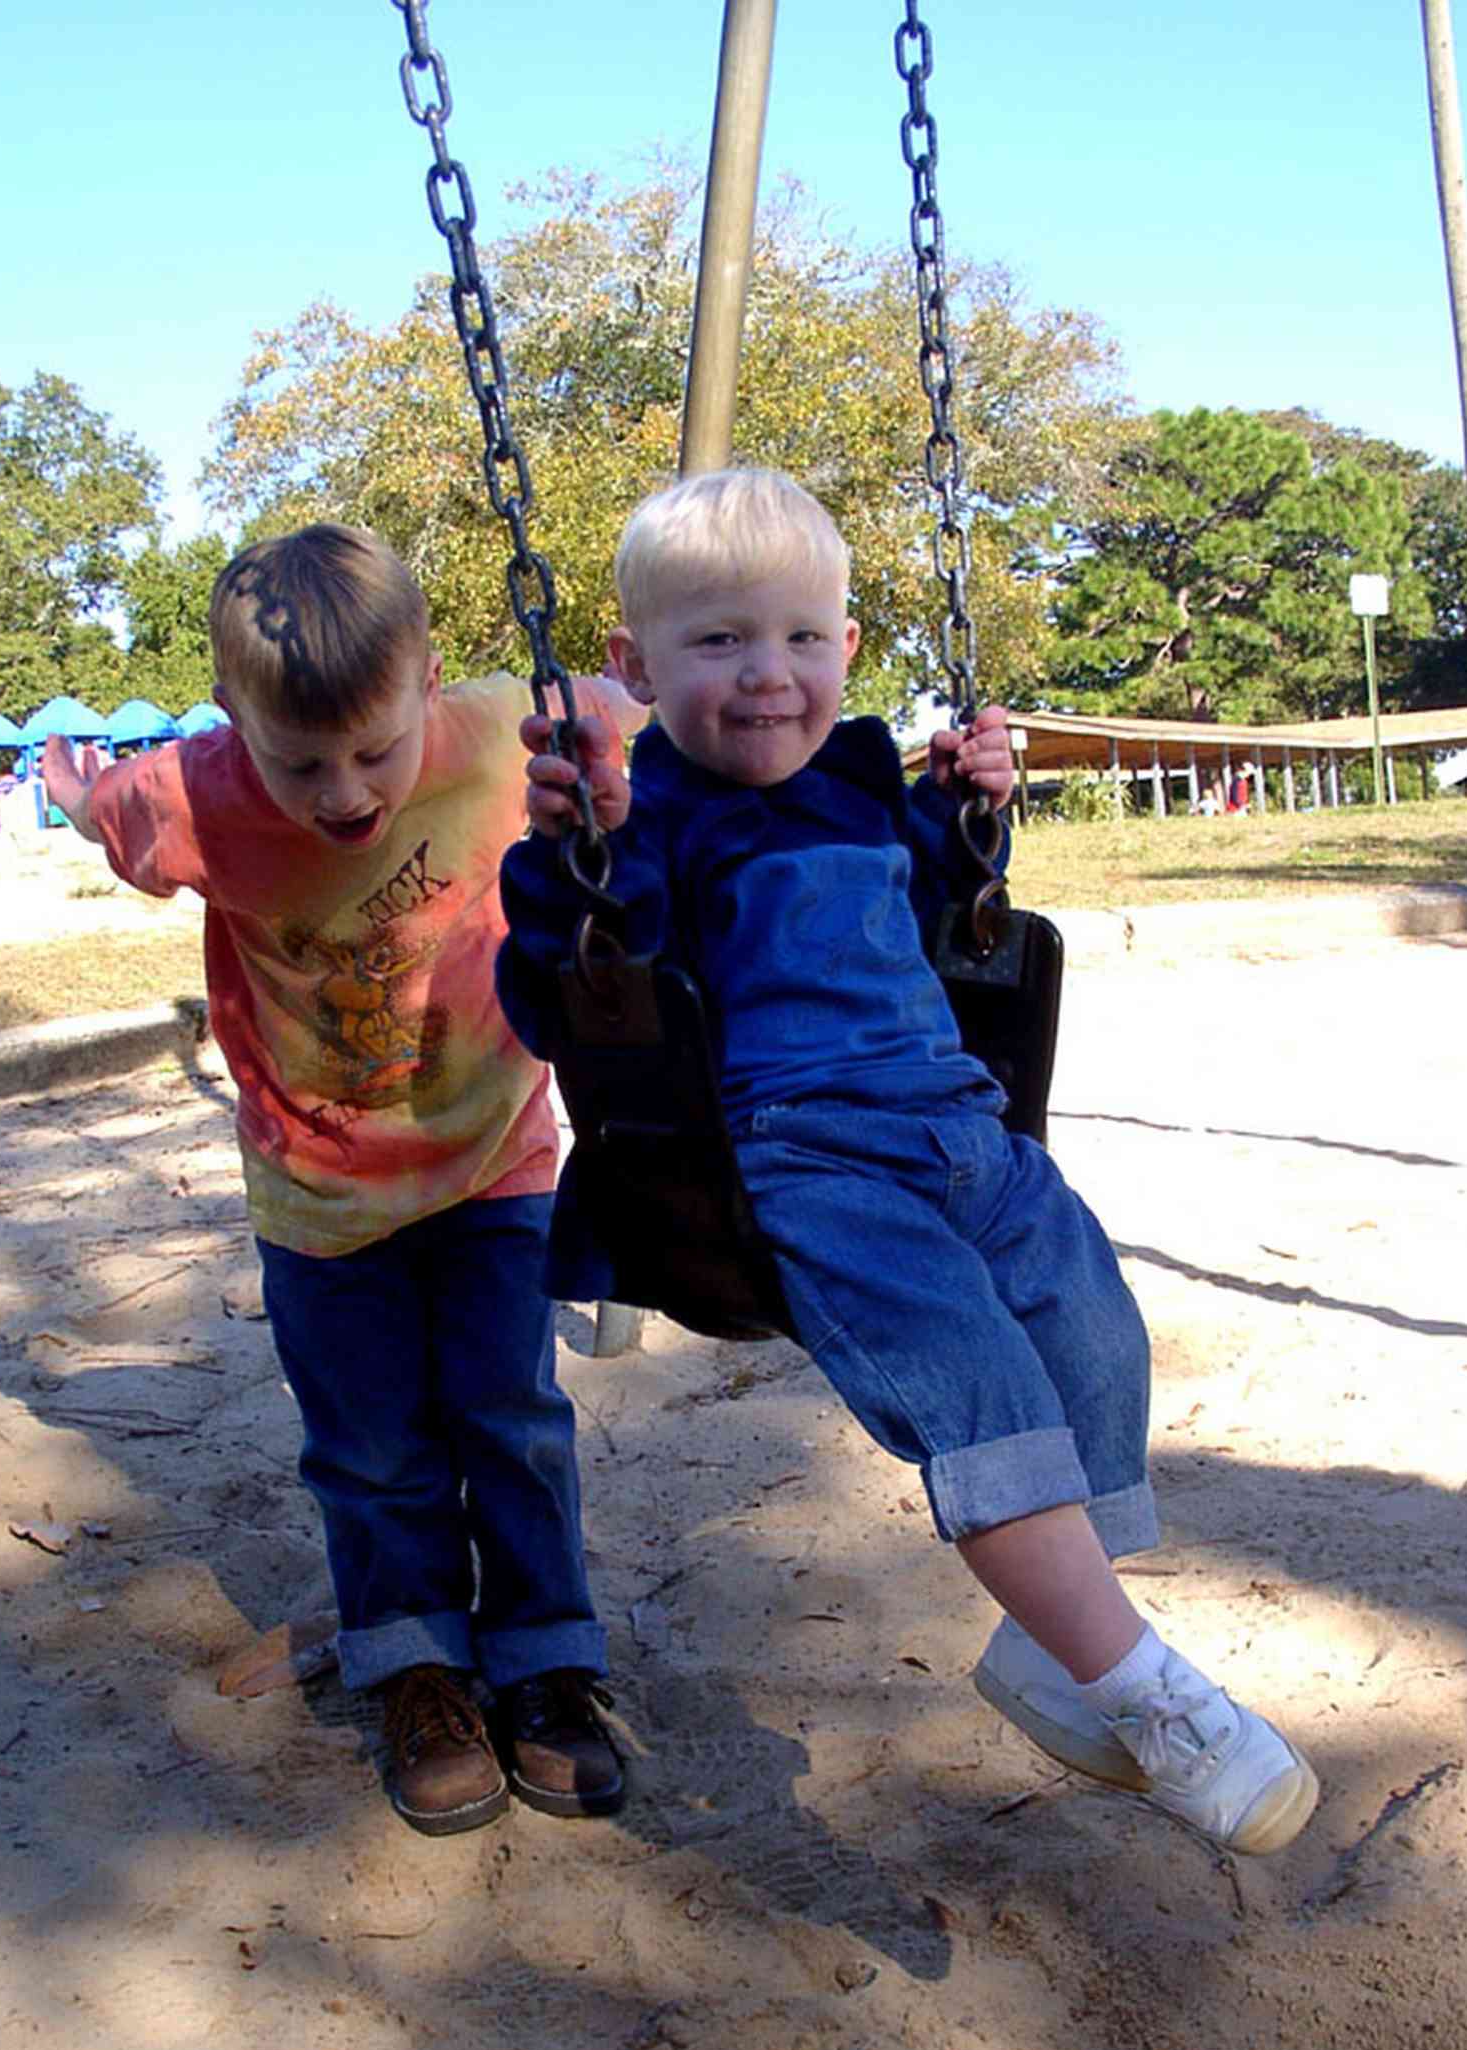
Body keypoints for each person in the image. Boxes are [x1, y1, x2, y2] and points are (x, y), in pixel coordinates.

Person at [497, 468, 1319, 1857]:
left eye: (803, 639)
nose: (770, 678)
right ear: (633, 667)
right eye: (719, 643)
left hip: (961, 1123)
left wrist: (971, 814)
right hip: (807, 1161)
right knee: (978, 1388)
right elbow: (567, 987)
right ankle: (1148, 1691)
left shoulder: (865, 778)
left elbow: (937, 907)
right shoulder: (649, 822)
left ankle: (1049, 1648)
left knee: (1094, 1329)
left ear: (849, 649)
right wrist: (577, 851)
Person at [43, 523, 636, 1838]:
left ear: (430, 677)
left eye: (375, 749)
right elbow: (111, 815)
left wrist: (632, 718)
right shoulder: (199, 795)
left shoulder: (497, 733)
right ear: (232, 723)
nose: (347, 791)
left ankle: (546, 1661)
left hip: (494, 1156)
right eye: (300, 763)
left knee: (510, 1412)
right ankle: (416, 1664)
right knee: (371, 1445)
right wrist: (79, 787)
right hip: (318, 1191)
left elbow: (631, 707)